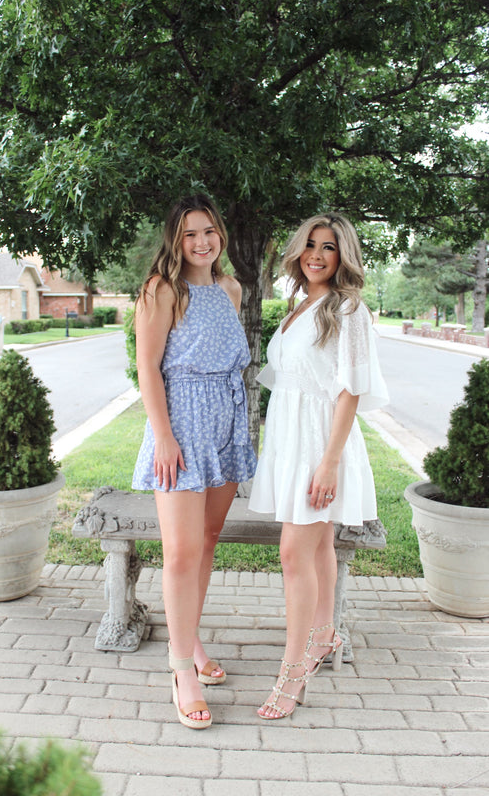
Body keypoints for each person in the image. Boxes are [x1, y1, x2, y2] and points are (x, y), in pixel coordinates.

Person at [249, 213, 388, 720]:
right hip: (291, 439)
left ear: (342, 255)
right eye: (310, 244)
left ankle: (292, 673)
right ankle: (324, 634)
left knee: (293, 554)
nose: (316, 254)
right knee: (319, 544)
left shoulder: (349, 310)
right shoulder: (300, 305)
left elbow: (351, 390)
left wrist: (329, 463)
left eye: (328, 246)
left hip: (320, 445)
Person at [132, 194, 256, 729]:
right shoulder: (162, 290)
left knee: (206, 541)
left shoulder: (231, 289)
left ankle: (191, 641)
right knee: (181, 551)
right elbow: (148, 367)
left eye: (209, 231)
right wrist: (164, 436)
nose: (201, 242)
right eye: (189, 234)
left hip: (226, 423)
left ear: (220, 234)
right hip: (182, 426)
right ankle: (181, 668)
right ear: (175, 240)